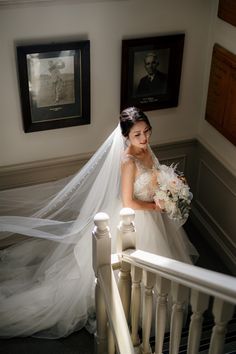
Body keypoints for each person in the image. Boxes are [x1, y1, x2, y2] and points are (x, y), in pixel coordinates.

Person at [0, 107, 198, 339]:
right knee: (130, 271)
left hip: (153, 215)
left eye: (147, 131)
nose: (144, 138)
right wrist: (156, 206)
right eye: (137, 135)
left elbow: (155, 177)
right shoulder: (128, 161)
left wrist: (168, 192)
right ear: (126, 137)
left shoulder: (146, 149)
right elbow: (128, 201)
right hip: (134, 217)